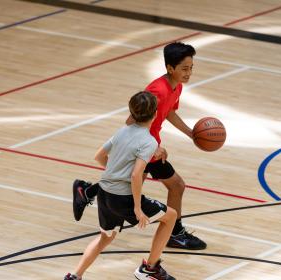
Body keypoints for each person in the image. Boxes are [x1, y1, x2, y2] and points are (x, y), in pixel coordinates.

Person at [73, 42, 206, 250]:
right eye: (184, 68)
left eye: (191, 68)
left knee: (130, 185)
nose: (189, 73)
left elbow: (169, 112)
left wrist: (190, 133)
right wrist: (147, 147)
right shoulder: (157, 90)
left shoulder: (176, 86)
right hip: (146, 148)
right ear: (170, 68)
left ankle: (87, 191)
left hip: (151, 146)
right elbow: (132, 120)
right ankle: (175, 233)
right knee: (176, 185)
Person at [64, 91, 177, 280]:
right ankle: (150, 269)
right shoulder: (149, 141)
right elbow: (135, 174)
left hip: (104, 194)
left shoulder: (122, 131)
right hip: (123, 198)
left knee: (105, 238)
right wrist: (138, 208)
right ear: (155, 114)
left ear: (131, 113)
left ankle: (75, 276)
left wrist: (116, 173)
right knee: (171, 217)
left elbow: (99, 156)